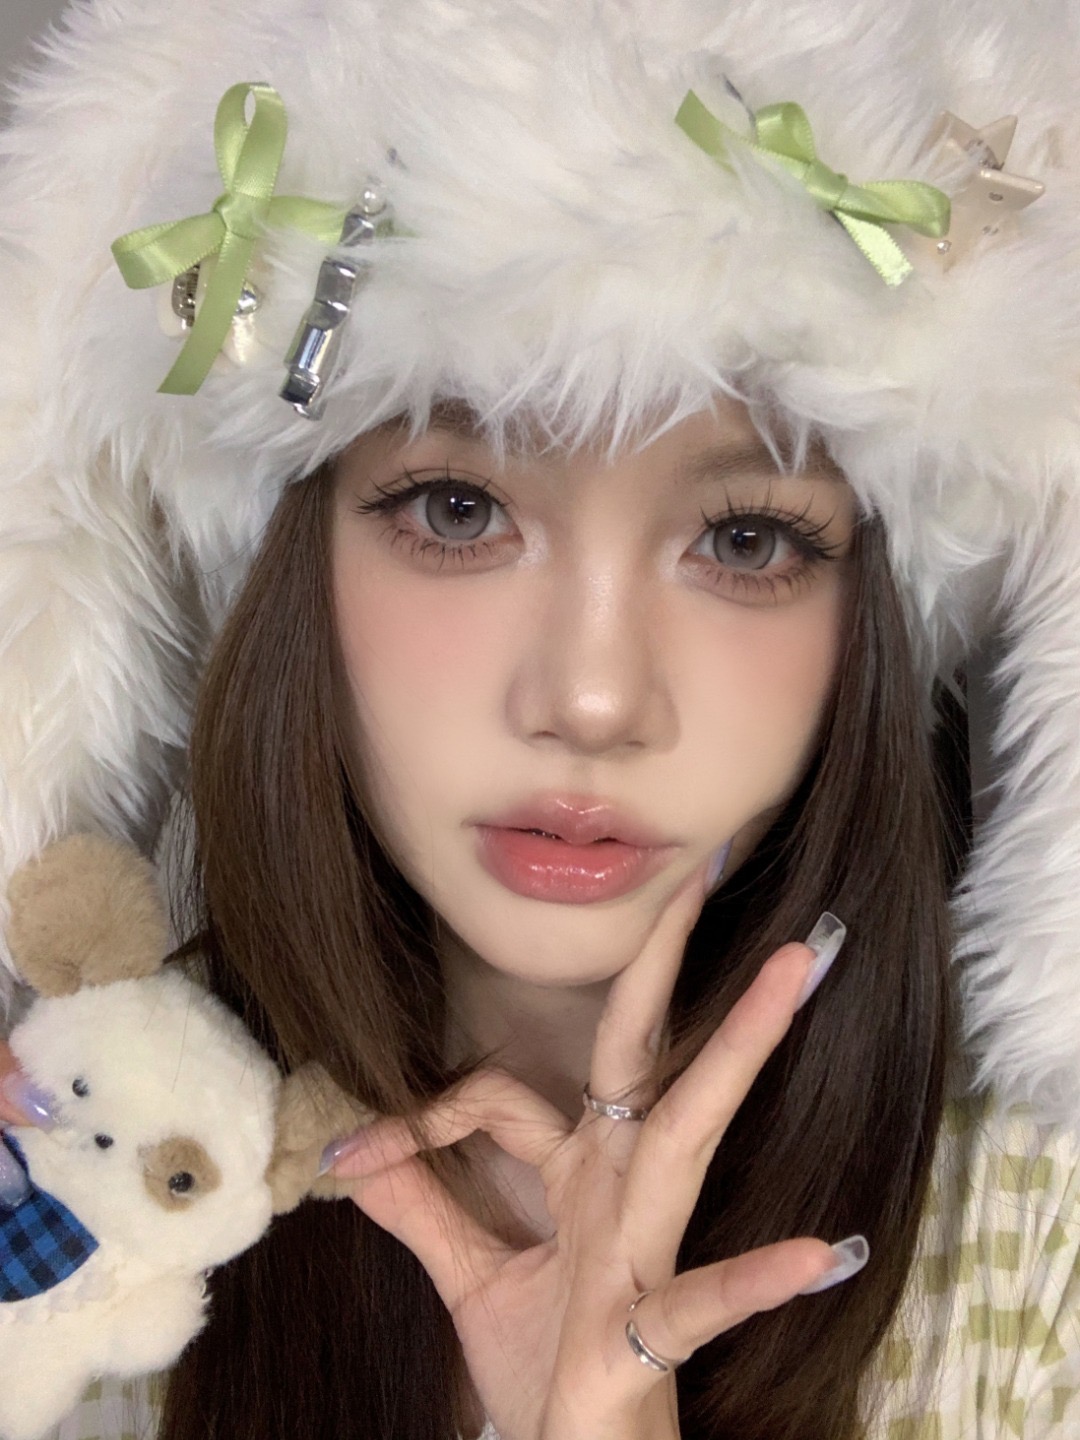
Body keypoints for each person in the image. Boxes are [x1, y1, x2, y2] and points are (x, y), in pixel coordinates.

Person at [0, 0, 1078, 1437]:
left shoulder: (1043, 1243)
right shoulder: (70, 1213)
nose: (591, 698)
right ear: (289, 576)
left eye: (747, 540)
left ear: (873, 623)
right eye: (458, 509)